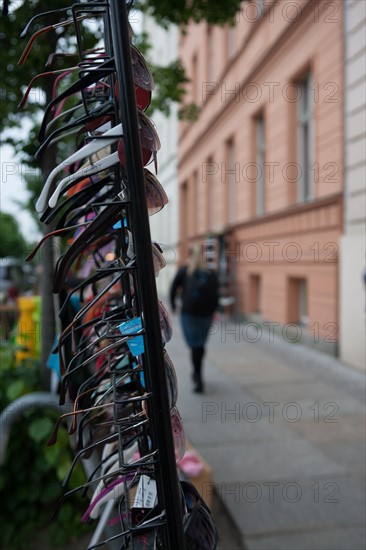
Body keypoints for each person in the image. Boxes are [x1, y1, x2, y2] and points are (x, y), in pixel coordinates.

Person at [170, 244, 219, 393]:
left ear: (190, 255)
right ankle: (198, 374)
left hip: (189, 314)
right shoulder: (210, 272)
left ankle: (197, 376)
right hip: (206, 314)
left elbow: (173, 288)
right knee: (200, 344)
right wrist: (214, 310)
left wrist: (173, 305)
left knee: (194, 345)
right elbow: (216, 293)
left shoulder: (185, 270)